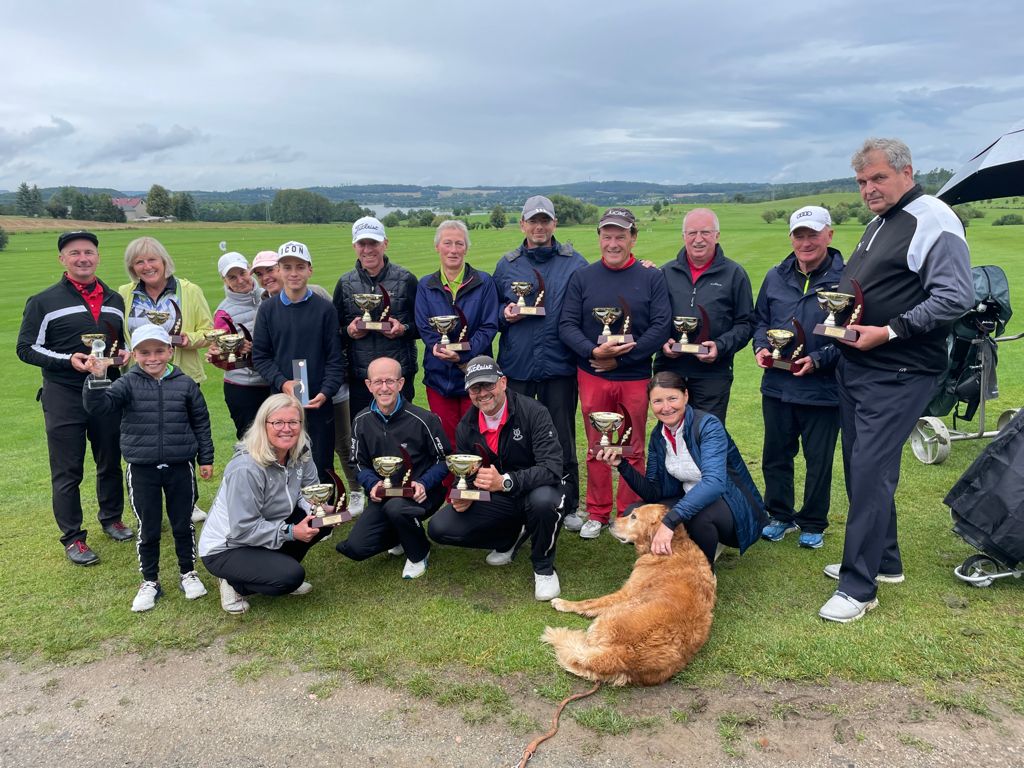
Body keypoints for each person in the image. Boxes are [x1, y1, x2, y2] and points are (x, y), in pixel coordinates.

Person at [819, 138, 973, 624]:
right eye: (863, 181)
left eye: (878, 178)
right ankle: (884, 561)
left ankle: (857, 587)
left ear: (907, 172)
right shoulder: (878, 223)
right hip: (857, 368)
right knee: (863, 468)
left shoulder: (933, 218)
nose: (869, 189)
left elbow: (955, 296)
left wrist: (888, 331)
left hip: (898, 370)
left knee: (868, 470)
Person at [17, 230, 134, 565]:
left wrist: (121, 356)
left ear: (97, 256)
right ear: (62, 259)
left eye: (89, 252)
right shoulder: (44, 301)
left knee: (110, 459)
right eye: (74, 253)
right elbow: (26, 348)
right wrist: (68, 360)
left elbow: (114, 343)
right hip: (63, 393)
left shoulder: (114, 300)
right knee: (68, 469)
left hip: (106, 391)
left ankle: (111, 518)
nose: (83, 258)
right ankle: (72, 538)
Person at [558, 207, 672, 539]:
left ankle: (628, 511)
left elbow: (661, 325)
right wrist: (592, 351)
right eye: (607, 236)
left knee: (632, 445)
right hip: (592, 372)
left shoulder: (651, 276)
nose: (613, 242)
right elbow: (567, 324)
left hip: (634, 376)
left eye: (620, 236)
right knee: (597, 444)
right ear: (599, 238)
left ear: (633, 238)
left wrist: (621, 360)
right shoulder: (583, 276)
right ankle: (596, 511)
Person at [84, 325, 214, 612]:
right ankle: (150, 581)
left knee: (183, 523)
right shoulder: (128, 383)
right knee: (149, 527)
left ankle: (187, 572)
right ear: (134, 355)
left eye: (158, 351)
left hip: (180, 465)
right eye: (144, 352)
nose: (152, 358)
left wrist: (206, 458)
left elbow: (201, 423)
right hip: (142, 468)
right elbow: (100, 408)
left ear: (170, 351)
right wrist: (96, 379)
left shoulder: (185, 383)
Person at [429, 356, 565, 601]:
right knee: (440, 528)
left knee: (544, 501)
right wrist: (466, 496)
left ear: (503, 382)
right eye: (475, 388)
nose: (483, 393)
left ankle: (543, 567)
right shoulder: (465, 426)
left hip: (536, 491)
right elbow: (468, 476)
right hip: (500, 499)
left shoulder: (534, 412)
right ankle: (509, 537)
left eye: (488, 385)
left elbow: (552, 468)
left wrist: (506, 481)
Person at [596, 372, 765, 568]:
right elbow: (654, 492)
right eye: (658, 401)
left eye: (672, 398)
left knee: (701, 516)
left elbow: (714, 484)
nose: (666, 407)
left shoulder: (708, 426)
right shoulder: (658, 435)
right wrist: (622, 465)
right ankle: (674, 559)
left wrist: (669, 522)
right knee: (635, 512)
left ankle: (704, 571)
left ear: (686, 396)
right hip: (689, 499)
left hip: (733, 507)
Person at [493, 195, 588, 532]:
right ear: (522, 224)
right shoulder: (507, 264)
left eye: (545, 220)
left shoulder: (575, 262)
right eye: (532, 221)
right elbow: (494, 316)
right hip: (517, 367)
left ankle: (570, 503)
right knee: (515, 437)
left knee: (561, 435)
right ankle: (517, 499)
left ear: (554, 224)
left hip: (559, 367)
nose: (538, 227)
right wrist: (504, 315)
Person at [753, 206, 843, 550]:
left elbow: (849, 333)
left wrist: (819, 360)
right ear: (791, 237)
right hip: (777, 384)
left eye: (813, 234)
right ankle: (778, 514)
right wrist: (762, 347)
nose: (805, 242)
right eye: (799, 235)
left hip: (822, 387)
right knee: (775, 453)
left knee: (818, 459)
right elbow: (760, 320)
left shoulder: (846, 277)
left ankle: (813, 521)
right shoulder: (776, 275)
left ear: (829, 235)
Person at [199, 394, 331, 614]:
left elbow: (308, 491)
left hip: (267, 525)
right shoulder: (246, 468)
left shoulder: (301, 448)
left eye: (293, 422)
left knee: (320, 521)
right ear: (263, 425)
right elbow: (243, 529)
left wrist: (318, 509)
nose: (286, 429)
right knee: (290, 576)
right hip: (227, 546)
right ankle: (233, 582)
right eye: (278, 422)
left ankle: (268, 568)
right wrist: (291, 531)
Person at [250, 248, 359, 511]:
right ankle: (287, 508)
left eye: (300, 267)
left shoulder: (324, 309)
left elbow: (334, 357)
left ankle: (324, 512)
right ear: (279, 271)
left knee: (320, 458)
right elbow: (261, 357)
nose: (293, 273)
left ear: (310, 270)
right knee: (283, 455)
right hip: (282, 402)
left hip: (319, 402)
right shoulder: (267, 310)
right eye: (287, 267)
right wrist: (283, 383)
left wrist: (326, 391)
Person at [119, 236, 214, 523]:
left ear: (164, 261)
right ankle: (146, 506)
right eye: (139, 261)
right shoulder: (124, 293)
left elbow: (209, 332)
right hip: (138, 380)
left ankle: (189, 502)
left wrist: (189, 339)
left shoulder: (189, 290)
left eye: (152, 259)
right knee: (145, 438)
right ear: (132, 267)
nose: (147, 266)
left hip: (181, 376)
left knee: (182, 439)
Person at [336, 358, 450, 579]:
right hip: (384, 495)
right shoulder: (361, 421)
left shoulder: (424, 419)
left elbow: (445, 460)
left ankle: (419, 552)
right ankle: (401, 533)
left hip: (421, 494)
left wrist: (424, 483)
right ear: (368, 385)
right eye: (378, 382)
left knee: (397, 509)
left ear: (401, 383)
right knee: (356, 548)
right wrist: (372, 483)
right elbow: (357, 463)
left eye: (390, 380)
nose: (384, 387)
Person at [654, 208, 754, 424]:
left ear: (717, 235)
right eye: (692, 233)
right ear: (683, 236)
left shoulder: (734, 274)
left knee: (707, 436)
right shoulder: (664, 273)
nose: (698, 239)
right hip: (670, 371)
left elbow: (745, 323)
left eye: (705, 232)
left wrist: (720, 345)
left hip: (712, 374)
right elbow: (653, 319)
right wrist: (663, 341)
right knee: (671, 436)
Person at [414, 220, 500, 444]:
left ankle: (479, 481)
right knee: (446, 440)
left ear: (466, 248)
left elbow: (489, 326)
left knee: (478, 437)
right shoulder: (425, 285)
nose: (453, 250)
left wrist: (463, 355)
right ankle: (451, 481)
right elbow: (425, 327)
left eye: (459, 244)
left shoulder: (484, 282)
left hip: (476, 374)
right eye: (447, 243)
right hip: (439, 377)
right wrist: (441, 350)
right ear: (437, 247)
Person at [334, 216, 419, 418]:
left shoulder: (406, 279)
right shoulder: (345, 283)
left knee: (402, 433)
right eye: (362, 243)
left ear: (385, 244)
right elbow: (333, 332)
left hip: (399, 376)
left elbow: (423, 327)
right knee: (364, 433)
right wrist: (349, 331)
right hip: (361, 378)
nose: (368, 249)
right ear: (354, 246)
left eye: (373, 243)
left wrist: (403, 329)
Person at [209, 252, 270, 439]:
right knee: (251, 441)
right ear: (224, 280)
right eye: (232, 277)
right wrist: (233, 350)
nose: (240, 280)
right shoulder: (223, 312)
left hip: (274, 381)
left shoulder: (269, 295)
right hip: (244, 386)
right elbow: (221, 359)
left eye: (243, 273)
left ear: (250, 270)